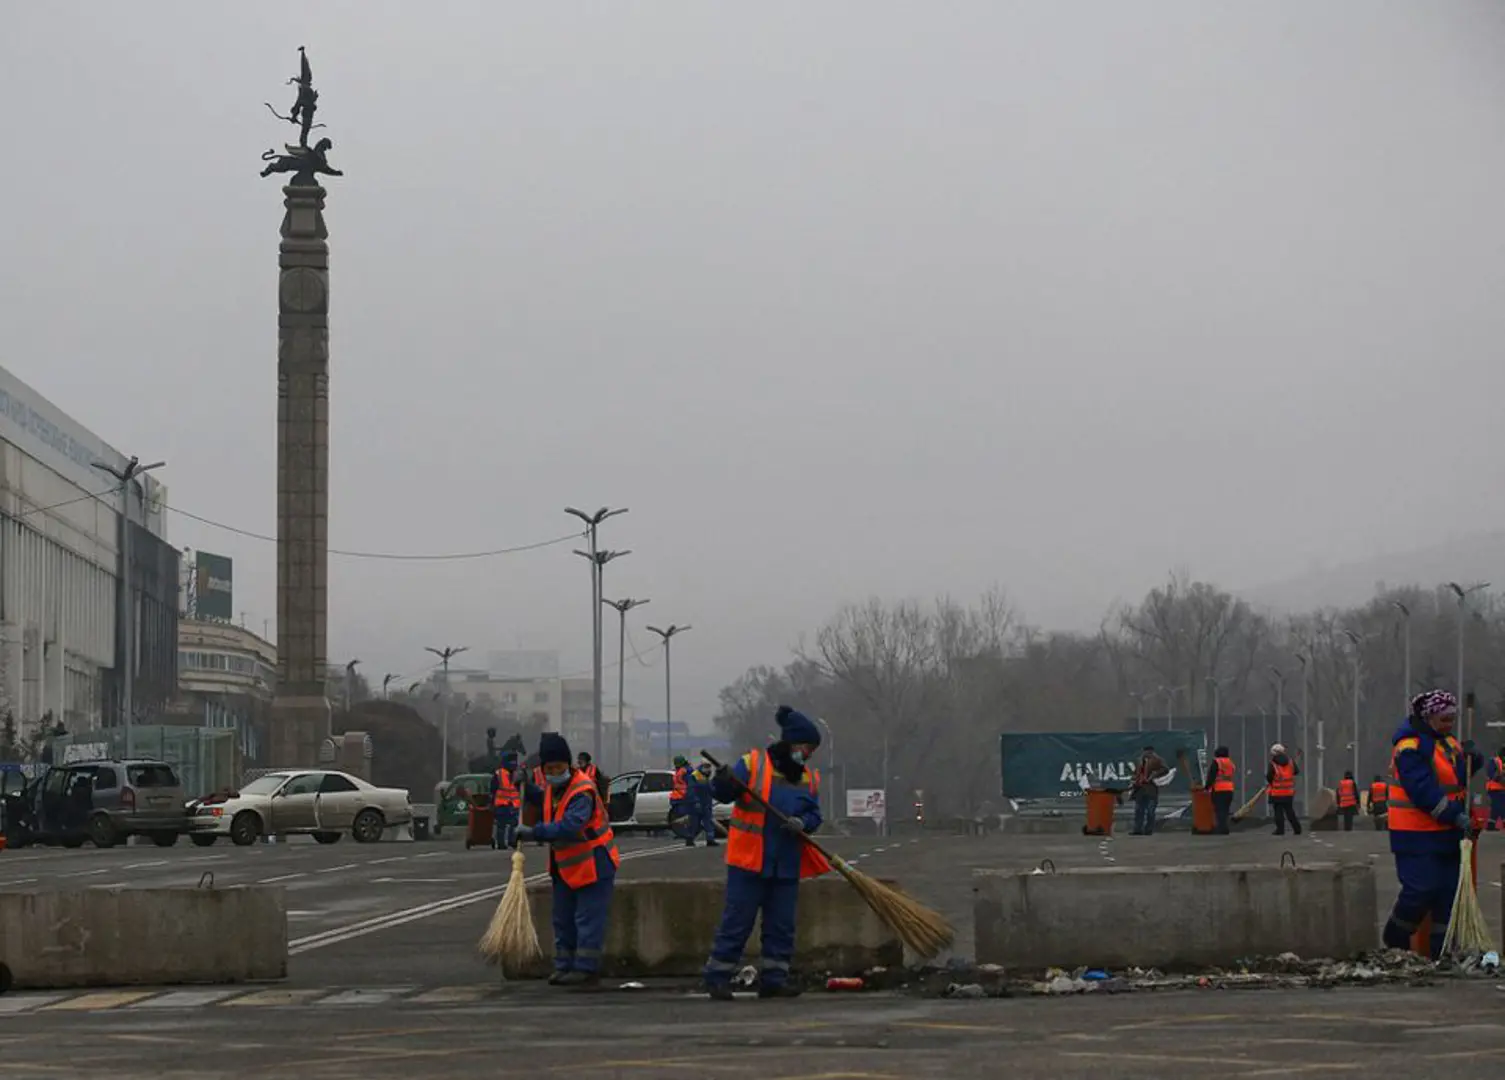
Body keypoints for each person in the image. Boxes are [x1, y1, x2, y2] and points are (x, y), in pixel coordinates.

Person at [703, 705, 828, 999]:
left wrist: (803, 824)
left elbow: (814, 815)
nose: (808, 754)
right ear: (791, 743)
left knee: (781, 925)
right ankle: (717, 975)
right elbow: (723, 794)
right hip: (749, 861)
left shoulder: (808, 778)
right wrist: (722, 779)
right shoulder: (753, 764)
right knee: (737, 921)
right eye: (805, 747)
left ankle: (775, 978)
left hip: (785, 863)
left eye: (811, 749)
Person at [1381, 689, 1483, 959]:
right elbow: (1423, 790)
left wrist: (1474, 759)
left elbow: (1458, 780)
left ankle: (1442, 951)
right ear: (1428, 718)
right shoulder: (1409, 748)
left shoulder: (1448, 743)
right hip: (1415, 833)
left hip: (1448, 833)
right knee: (1421, 888)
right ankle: (1395, 937)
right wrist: (1453, 814)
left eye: (1452, 719)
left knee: (1447, 896)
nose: (1449, 724)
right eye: (1444, 719)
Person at [515, 733, 620, 988]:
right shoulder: (554, 787)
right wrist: (528, 788)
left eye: (559, 767)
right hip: (566, 866)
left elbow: (571, 825)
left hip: (594, 863)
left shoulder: (582, 790)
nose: (554, 772)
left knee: (587, 918)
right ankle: (564, 965)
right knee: (562, 918)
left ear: (568, 765)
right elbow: (545, 801)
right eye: (549, 768)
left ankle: (586, 969)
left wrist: (534, 832)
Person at [1129, 746, 1168, 836]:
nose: (1147, 753)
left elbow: (1165, 769)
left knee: (1150, 810)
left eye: (1149, 752)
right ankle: (1137, 829)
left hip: (1151, 788)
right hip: (1140, 788)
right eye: (1146, 752)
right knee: (1139, 810)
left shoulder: (1158, 760)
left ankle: (1148, 829)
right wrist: (1134, 779)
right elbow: (1136, 772)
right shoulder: (1139, 760)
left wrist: (1154, 775)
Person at [1266, 743, 1301, 836]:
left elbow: (1269, 776)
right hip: (1288, 791)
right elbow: (1296, 771)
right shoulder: (1290, 761)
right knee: (1290, 811)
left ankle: (1280, 830)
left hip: (1277, 792)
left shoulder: (1273, 763)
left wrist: (1271, 783)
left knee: (1278, 812)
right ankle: (1297, 829)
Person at [490, 750, 521, 850]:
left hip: (507, 804)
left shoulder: (500, 774)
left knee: (504, 825)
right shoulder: (511, 774)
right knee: (507, 825)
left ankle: (504, 843)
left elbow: (493, 789)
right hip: (505, 804)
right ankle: (507, 842)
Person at [1205, 746, 1236, 835]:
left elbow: (1211, 776)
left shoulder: (1217, 762)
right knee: (1225, 810)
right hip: (1229, 789)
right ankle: (1225, 828)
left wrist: (1207, 787)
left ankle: (1221, 829)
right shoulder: (1230, 763)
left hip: (1219, 789)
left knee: (1219, 810)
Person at [689, 762, 718, 848]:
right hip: (697, 803)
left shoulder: (706, 777)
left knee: (708, 822)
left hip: (706, 803)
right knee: (695, 822)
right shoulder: (694, 776)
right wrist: (695, 801)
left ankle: (710, 839)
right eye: (706, 768)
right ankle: (689, 839)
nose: (709, 770)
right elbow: (691, 790)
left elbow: (711, 789)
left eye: (709, 768)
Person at [670, 755, 694, 846]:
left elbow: (689, 785)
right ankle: (687, 836)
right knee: (683, 819)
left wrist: (689, 797)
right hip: (679, 798)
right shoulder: (682, 771)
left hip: (682, 798)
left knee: (686, 819)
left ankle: (688, 836)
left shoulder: (684, 772)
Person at [1486, 748, 1505, 830]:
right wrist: (1501, 777)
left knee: (1496, 807)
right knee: (1501, 806)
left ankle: (1491, 824)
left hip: (1500, 788)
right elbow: (1492, 775)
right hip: (1494, 788)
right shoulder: (1494, 761)